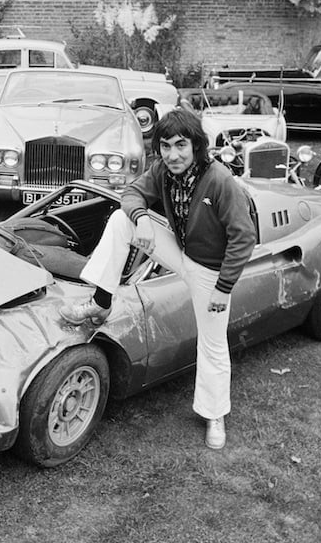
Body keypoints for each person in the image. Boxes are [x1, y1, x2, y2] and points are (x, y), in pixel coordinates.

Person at [60, 109, 256, 450]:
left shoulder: (220, 180)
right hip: (181, 251)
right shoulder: (162, 170)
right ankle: (100, 303)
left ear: (197, 146)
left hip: (210, 272)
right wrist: (143, 219)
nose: (173, 154)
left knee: (212, 343)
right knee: (123, 221)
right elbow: (132, 194)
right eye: (165, 146)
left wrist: (224, 289)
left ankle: (214, 413)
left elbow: (244, 238)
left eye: (181, 145)